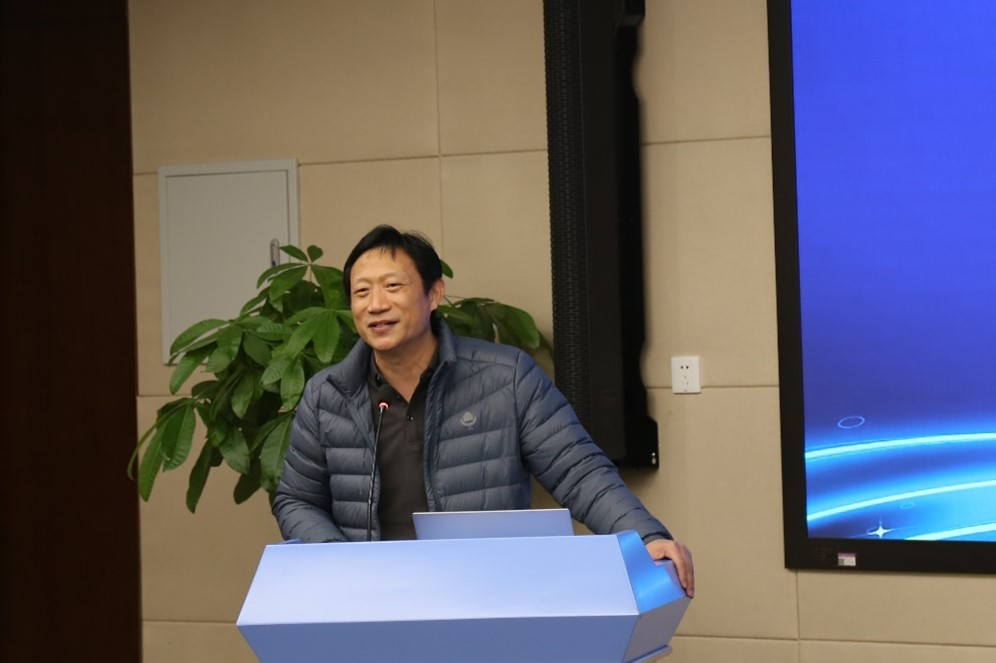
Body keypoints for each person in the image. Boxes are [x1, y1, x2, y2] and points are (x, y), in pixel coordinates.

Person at [271, 225, 695, 597]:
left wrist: (645, 537)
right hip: (373, 600)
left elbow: (579, 471)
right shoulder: (327, 394)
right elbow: (296, 499)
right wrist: (338, 562)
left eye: (393, 286)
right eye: (361, 292)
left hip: (487, 594)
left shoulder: (505, 377)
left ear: (434, 293)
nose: (375, 304)